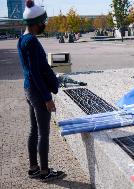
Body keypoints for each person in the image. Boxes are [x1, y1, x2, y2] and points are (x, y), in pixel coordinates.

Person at [17, 0, 65, 182]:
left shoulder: (23, 38)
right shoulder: (31, 42)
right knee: (43, 133)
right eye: (43, 22)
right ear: (37, 23)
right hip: (38, 92)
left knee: (34, 130)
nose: (45, 25)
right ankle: (45, 172)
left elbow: (32, 72)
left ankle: (33, 168)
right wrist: (47, 98)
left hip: (29, 90)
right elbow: (36, 73)